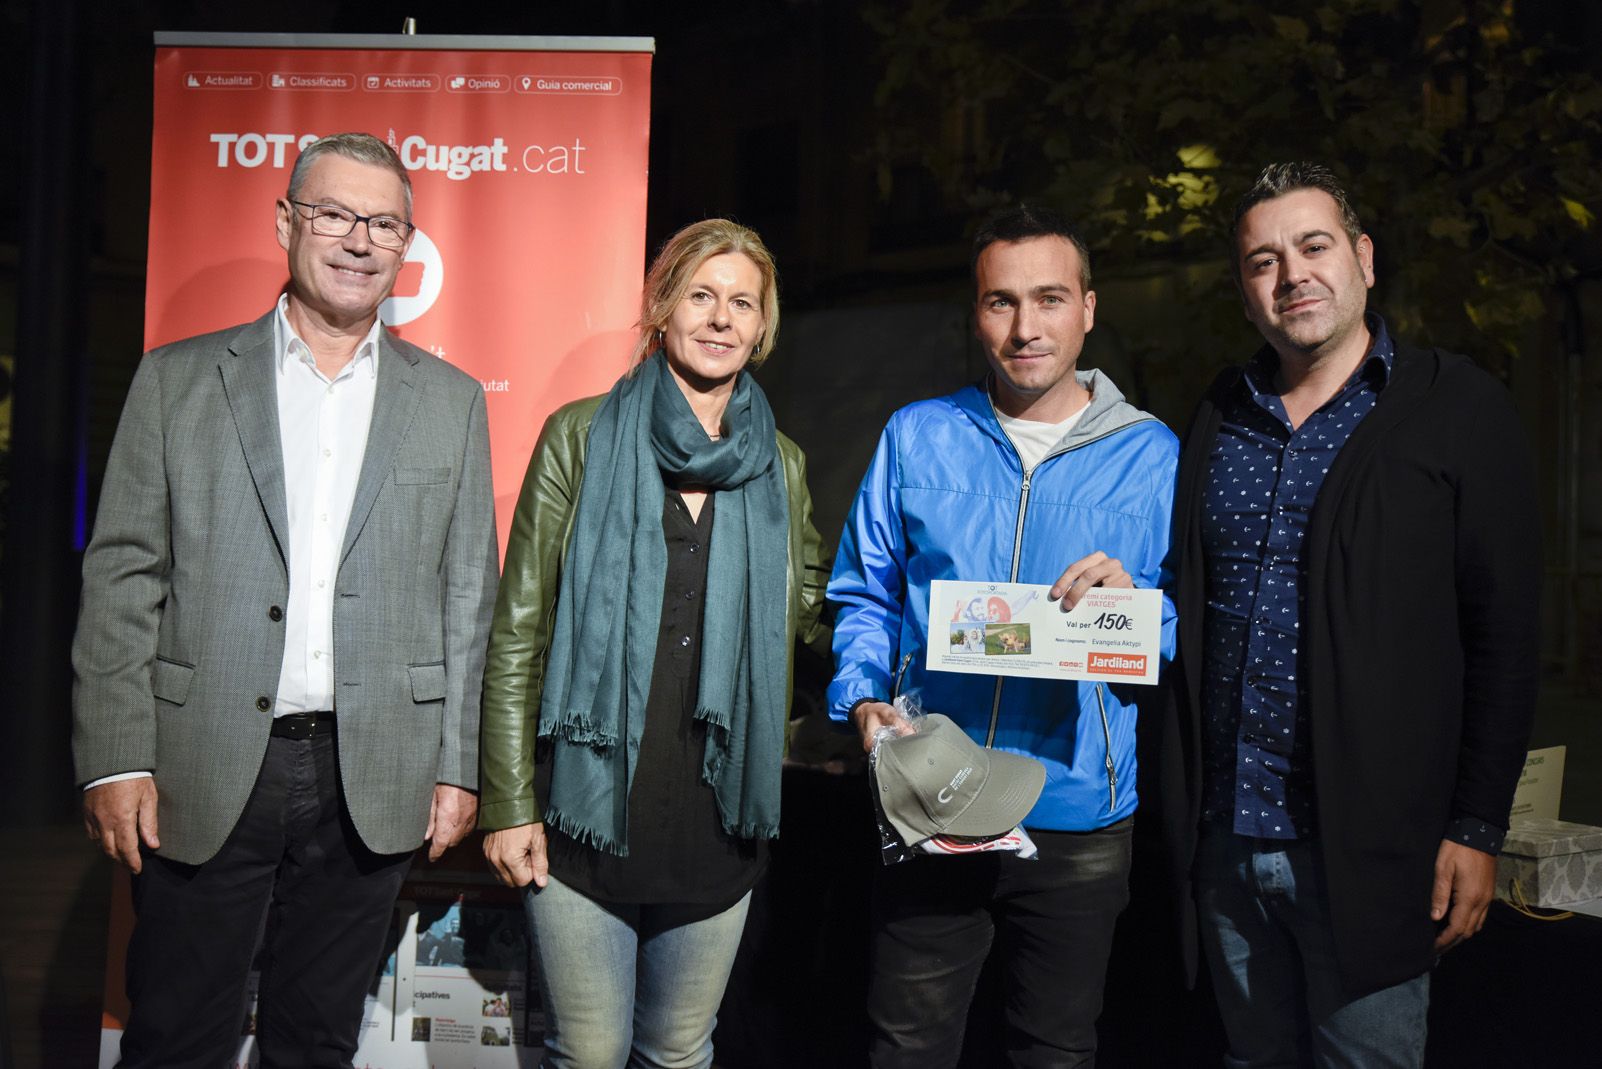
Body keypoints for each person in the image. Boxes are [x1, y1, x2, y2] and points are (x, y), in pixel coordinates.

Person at [71, 132, 499, 1068]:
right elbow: (123, 575)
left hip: (372, 769)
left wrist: (459, 766)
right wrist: (114, 756)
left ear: (407, 243)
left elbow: (469, 597)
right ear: (285, 222)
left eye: (383, 223)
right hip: (202, 760)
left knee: (317, 1042)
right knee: (174, 1036)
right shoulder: (176, 380)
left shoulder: (453, 402)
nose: (359, 240)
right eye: (334, 214)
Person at [1149, 161, 1540, 1066]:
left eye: (1314, 246)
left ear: (1363, 257)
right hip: (1226, 846)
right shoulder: (1219, 413)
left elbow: (1507, 638)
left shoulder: (1457, 408)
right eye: (1263, 261)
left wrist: (1476, 825)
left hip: (1371, 854)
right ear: (1245, 290)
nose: (1292, 274)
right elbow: (1187, 598)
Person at [828, 203, 1178, 1067]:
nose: (1026, 327)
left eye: (1049, 298)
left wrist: (1141, 611)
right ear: (975, 313)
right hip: (933, 795)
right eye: (1001, 302)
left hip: (1079, 813)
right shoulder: (918, 435)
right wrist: (863, 698)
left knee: (1053, 1050)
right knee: (905, 1048)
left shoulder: (1155, 455)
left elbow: (1188, 624)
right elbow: (864, 592)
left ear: (1088, 308)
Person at [478, 218, 828, 1069]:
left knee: (678, 1050)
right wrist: (509, 801)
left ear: (763, 324)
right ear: (663, 307)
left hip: (717, 816)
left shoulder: (780, 463)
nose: (720, 318)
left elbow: (813, 616)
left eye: (742, 302)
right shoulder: (581, 434)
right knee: (590, 1052)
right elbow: (519, 630)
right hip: (584, 811)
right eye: (701, 295)